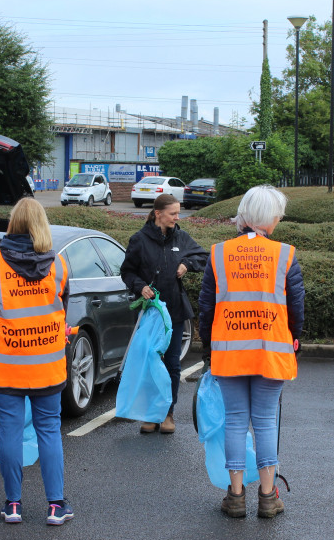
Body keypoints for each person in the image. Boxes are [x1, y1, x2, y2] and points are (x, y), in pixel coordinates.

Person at [198, 185, 305, 518]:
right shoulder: (285, 254)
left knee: (234, 422)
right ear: (271, 218)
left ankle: (235, 497)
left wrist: (207, 349)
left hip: (229, 353)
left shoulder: (218, 253)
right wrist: (294, 340)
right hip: (271, 352)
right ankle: (269, 496)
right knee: (265, 422)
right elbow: (296, 307)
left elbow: (206, 308)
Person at [0, 198, 73, 525]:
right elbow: (62, 312)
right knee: (49, 431)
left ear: (13, 224)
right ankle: (56, 506)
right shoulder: (58, 266)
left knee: (10, 433)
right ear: (42, 225)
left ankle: (13, 504)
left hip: (5, 367)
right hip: (47, 365)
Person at [120, 193, 207, 434]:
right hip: (150, 313)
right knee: (150, 362)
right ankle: (151, 414)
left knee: (171, 363)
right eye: (173, 213)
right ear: (158, 214)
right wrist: (140, 286)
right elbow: (126, 272)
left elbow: (203, 256)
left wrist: (186, 264)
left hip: (175, 312)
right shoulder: (139, 240)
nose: (177, 218)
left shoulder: (181, 237)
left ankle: (167, 413)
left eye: (178, 213)